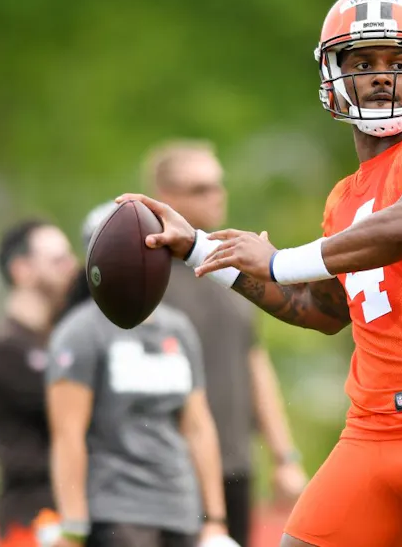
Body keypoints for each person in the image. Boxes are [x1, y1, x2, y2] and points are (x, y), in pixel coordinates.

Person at [117, 0, 402, 547]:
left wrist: (281, 259)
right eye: (362, 61)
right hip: (375, 431)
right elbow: (320, 309)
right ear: (335, 77)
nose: (381, 74)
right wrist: (197, 248)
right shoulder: (344, 198)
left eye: (398, 60)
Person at [141, 139, 307, 546]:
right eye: (200, 188)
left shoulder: (232, 268)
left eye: (218, 185)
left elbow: (255, 365)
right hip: (166, 468)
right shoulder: (144, 275)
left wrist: (284, 457)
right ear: (167, 198)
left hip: (234, 462)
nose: (216, 196)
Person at [44, 202, 231, 547]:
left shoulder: (178, 329)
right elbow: (68, 434)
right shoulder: (80, 332)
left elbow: (198, 426)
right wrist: (73, 522)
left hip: (180, 509)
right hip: (117, 512)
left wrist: (215, 518)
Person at [0, 220, 79, 546]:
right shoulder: (6, 348)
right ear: (21, 270)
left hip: (68, 508)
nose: (72, 267)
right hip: (34, 513)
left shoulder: (61, 339)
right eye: (58, 260)